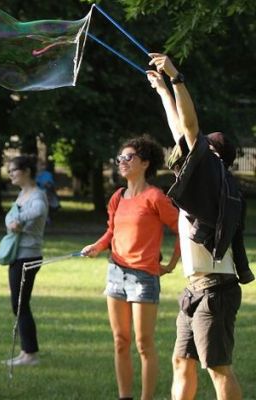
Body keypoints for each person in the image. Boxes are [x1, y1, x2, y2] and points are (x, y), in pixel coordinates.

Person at [148, 53, 252, 400]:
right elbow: (181, 131)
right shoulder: (206, 184)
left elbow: (189, 129)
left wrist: (176, 78)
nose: (190, 150)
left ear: (214, 157)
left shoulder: (215, 184)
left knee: (217, 368)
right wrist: (163, 91)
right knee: (181, 361)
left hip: (215, 291)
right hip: (195, 290)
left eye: (202, 148)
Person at [81, 136, 180, 400]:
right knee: (120, 341)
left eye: (129, 158)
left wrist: (170, 264)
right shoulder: (117, 197)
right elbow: (111, 232)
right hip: (115, 273)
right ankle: (125, 396)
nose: (122, 162)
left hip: (144, 277)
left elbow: (183, 228)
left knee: (143, 344)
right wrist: (97, 247)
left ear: (145, 163)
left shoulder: (155, 197)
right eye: (120, 158)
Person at [3, 155, 49, 367]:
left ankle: (30, 354)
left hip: (28, 256)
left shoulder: (36, 195)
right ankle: (26, 352)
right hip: (18, 255)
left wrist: (18, 220)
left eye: (14, 170)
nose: (10, 173)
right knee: (19, 304)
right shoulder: (23, 194)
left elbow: (39, 210)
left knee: (20, 304)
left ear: (27, 171)